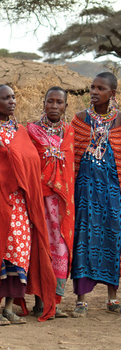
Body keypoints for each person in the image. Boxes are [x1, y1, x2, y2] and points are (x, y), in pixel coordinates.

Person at [0, 84, 57, 325]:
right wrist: (7, 156)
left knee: (18, 253)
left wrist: (6, 151)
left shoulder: (20, 131)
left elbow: (31, 162)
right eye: (5, 98)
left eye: (13, 97)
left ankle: (9, 307)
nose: (12, 101)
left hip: (20, 204)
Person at [71, 72, 121, 317]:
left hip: (114, 193)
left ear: (112, 93)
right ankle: (81, 299)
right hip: (85, 192)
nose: (94, 92)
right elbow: (71, 157)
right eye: (92, 87)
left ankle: (113, 298)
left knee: (113, 236)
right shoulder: (79, 120)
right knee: (83, 239)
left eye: (100, 88)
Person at [27, 87, 75, 318]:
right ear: (43, 103)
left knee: (61, 249)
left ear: (66, 106)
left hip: (63, 204)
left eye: (59, 102)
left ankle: (54, 301)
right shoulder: (31, 131)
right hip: (39, 200)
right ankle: (40, 300)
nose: (54, 106)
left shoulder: (70, 133)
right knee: (41, 248)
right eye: (50, 101)